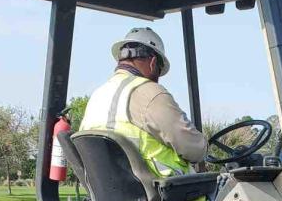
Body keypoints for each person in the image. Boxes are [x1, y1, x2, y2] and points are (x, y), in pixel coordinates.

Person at [79, 27, 207, 178]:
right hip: (167, 196)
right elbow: (194, 149)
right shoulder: (150, 93)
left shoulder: (97, 96)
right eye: (159, 71)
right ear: (153, 63)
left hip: (109, 198)